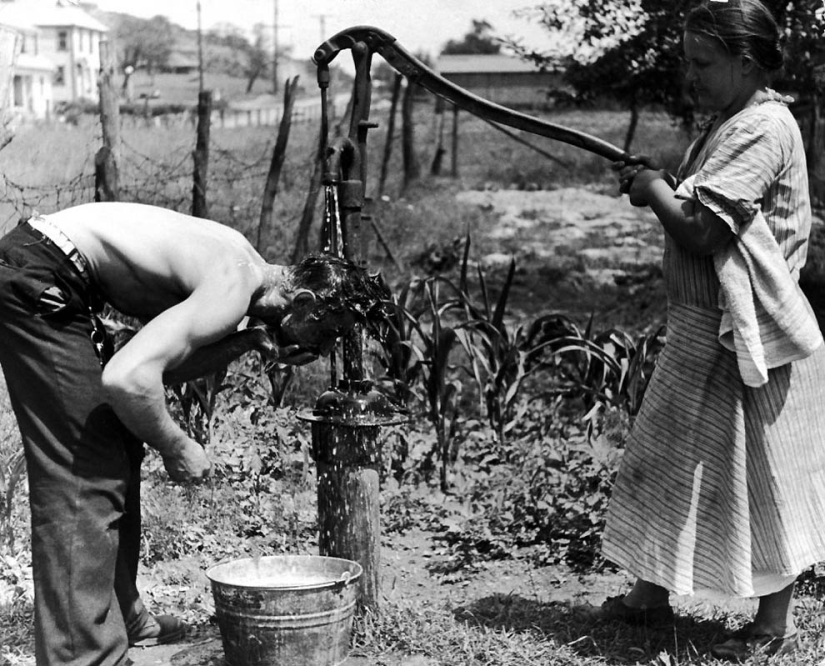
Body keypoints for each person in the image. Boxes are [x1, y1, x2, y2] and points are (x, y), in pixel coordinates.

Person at [0, 201, 387, 666]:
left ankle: (122, 616)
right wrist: (176, 444)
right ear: (303, 302)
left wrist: (248, 341)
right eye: (327, 333)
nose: (321, 348)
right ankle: (83, 656)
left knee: (116, 438)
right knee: (84, 472)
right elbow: (128, 378)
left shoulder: (246, 267)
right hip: (38, 275)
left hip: (50, 270)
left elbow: (158, 367)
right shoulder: (232, 284)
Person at [600, 0, 825, 660]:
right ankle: (648, 594)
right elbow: (701, 205)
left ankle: (768, 625)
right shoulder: (728, 122)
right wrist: (659, 183)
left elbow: (703, 230)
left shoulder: (762, 127)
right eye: (686, 61)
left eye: (702, 63)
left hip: (747, 332)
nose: (689, 75)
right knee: (669, 461)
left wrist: (651, 193)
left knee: (761, 474)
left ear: (745, 62)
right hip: (704, 326)